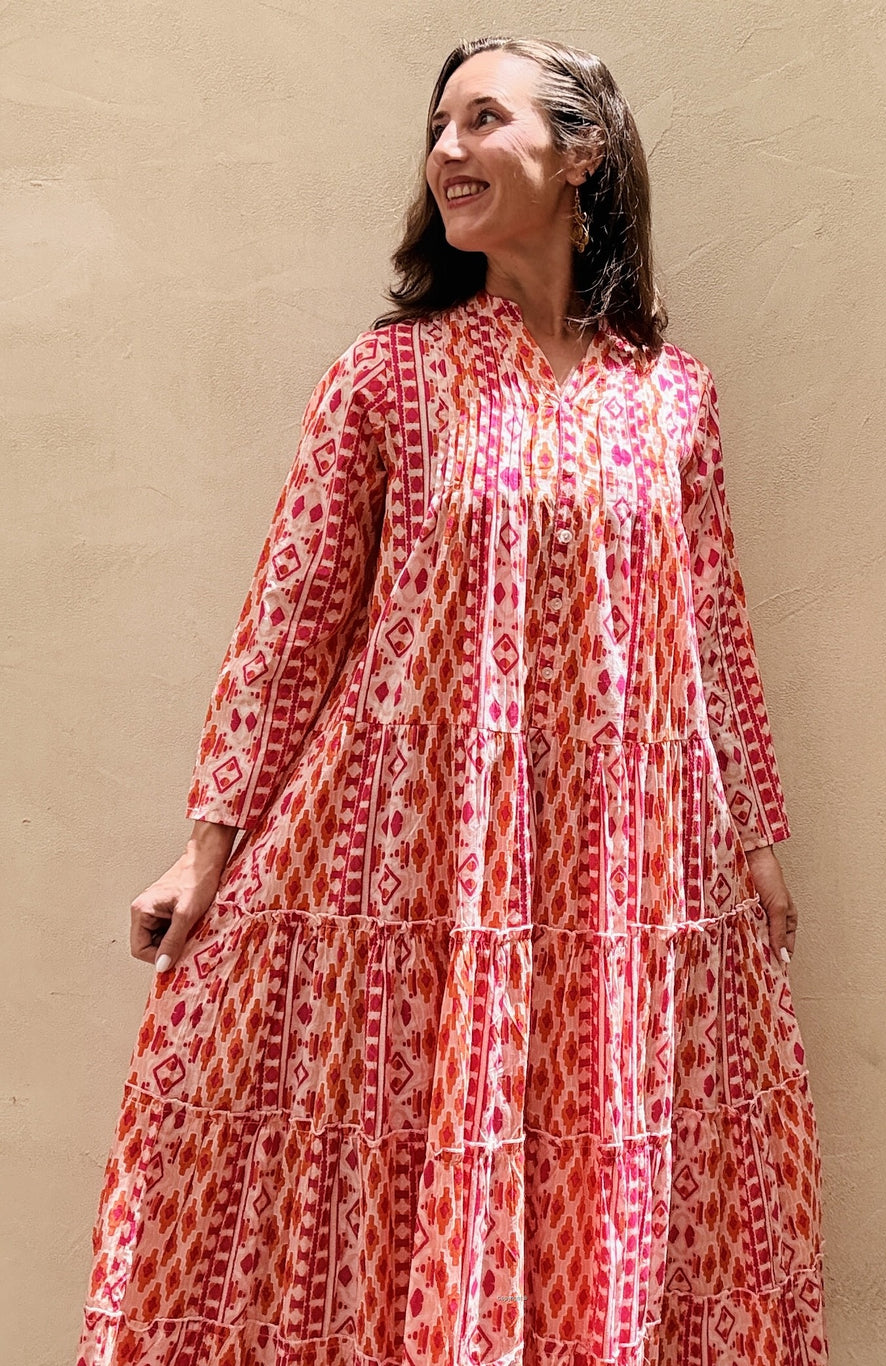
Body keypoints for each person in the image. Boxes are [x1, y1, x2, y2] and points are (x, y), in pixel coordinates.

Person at [76, 35, 827, 1366]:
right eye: (438, 128)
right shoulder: (391, 379)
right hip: (413, 858)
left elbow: (712, 627)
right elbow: (293, 619)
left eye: (483, 119)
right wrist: (210, 843)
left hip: (623, 868)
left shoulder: (673, 399)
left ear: (581, 152)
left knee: (605, 1158)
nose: (447, 150)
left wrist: (757, 836)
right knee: (410, 1169)